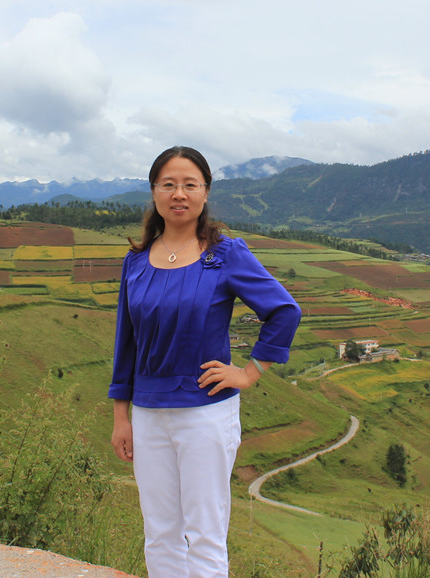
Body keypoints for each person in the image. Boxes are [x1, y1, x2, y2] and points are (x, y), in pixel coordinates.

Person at [108, 146, 301, 578]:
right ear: (154, 192)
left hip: (205, 412)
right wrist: (122, 416)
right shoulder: (135, 262)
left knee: (205, 532)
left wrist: (249, 372)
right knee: (159, 531)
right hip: (148, 414)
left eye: (189, 184)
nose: (179, 194)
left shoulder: (225, 255)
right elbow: (127, 341)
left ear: (205, 192)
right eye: (169, 184)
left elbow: (284, 311)